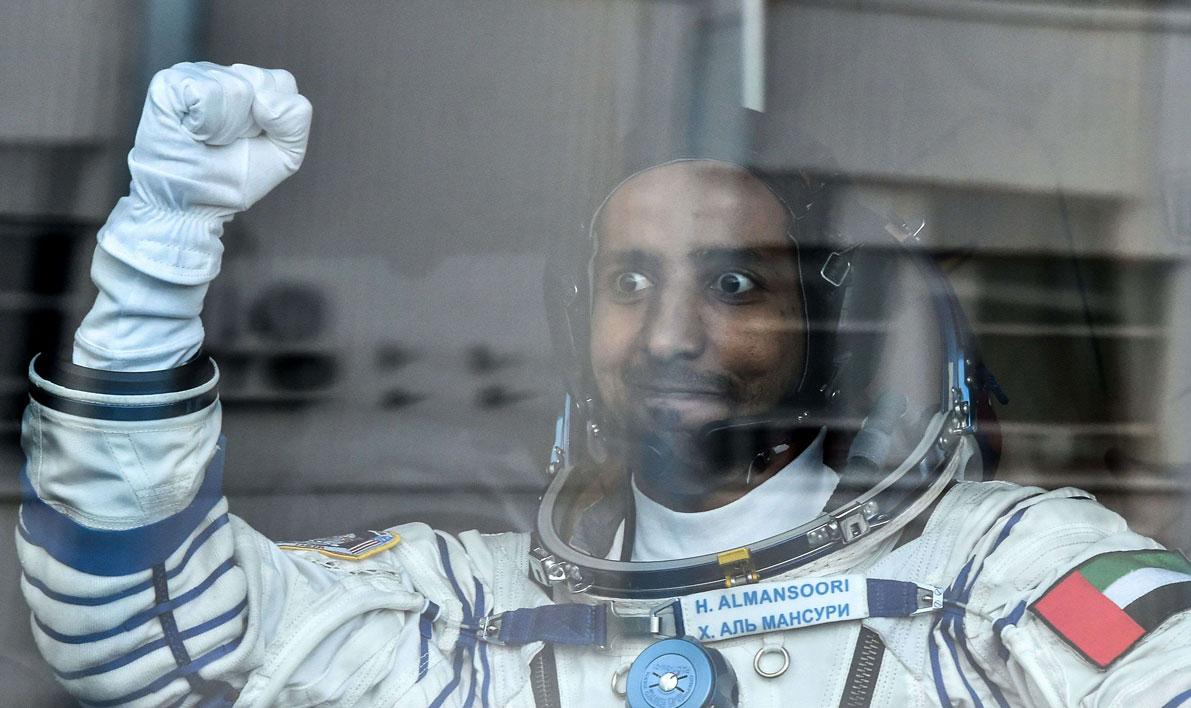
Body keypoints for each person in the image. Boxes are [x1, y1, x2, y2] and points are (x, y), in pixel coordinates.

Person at [15, 62, 1191, 708]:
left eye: (734, 282)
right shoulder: (469, 614)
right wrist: (159, 260)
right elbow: (139, 635)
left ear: (830, 324)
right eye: (631, 280)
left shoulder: (992, 579)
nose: (670, 330)